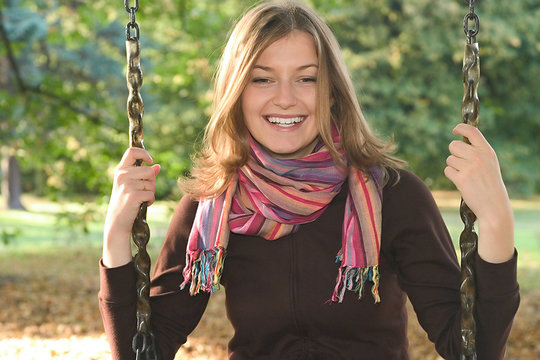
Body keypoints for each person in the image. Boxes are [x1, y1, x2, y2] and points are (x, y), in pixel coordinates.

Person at [99, 1, 519, 359]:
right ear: (237, 92)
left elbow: (470, 349)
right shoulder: (214, 204)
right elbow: (144, 350)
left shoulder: (394, 195)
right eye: (262, 79)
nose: (285, 98)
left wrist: (497, 223)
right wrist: (117, 236)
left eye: (307, 78)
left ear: (332, 92)